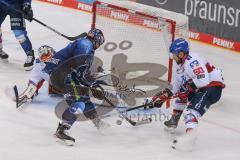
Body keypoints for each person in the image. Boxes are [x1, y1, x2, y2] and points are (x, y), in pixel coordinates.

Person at [17, 28, 107, 145]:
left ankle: (98, 122)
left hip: (61, 75)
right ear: (97, 39)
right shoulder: (85, 44)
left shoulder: (85, 44)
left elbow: (80, 69)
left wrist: (90, 84)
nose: (99, 45)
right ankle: (63, 130)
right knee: (79, 101)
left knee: (83, 98)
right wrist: (92, 85)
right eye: (99, 43)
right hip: (62, 75)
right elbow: (79, 67)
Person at [148, 38, 225, 149]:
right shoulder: (178, 65)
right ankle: (174, 120)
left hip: (212, 87)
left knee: (191, 112)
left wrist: (186, 88)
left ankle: (189, 140)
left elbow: (203, 80)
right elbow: (176, 87)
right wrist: (163, 96)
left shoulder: (192, 61)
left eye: (174, 54)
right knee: (181, 92)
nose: (173, 57)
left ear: (181, 53)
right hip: (201, 87)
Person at [0, 0, 35, 70]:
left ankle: (29, 54)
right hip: (1, 4)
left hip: (16, 6)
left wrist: (27, 5)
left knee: (19, 33)